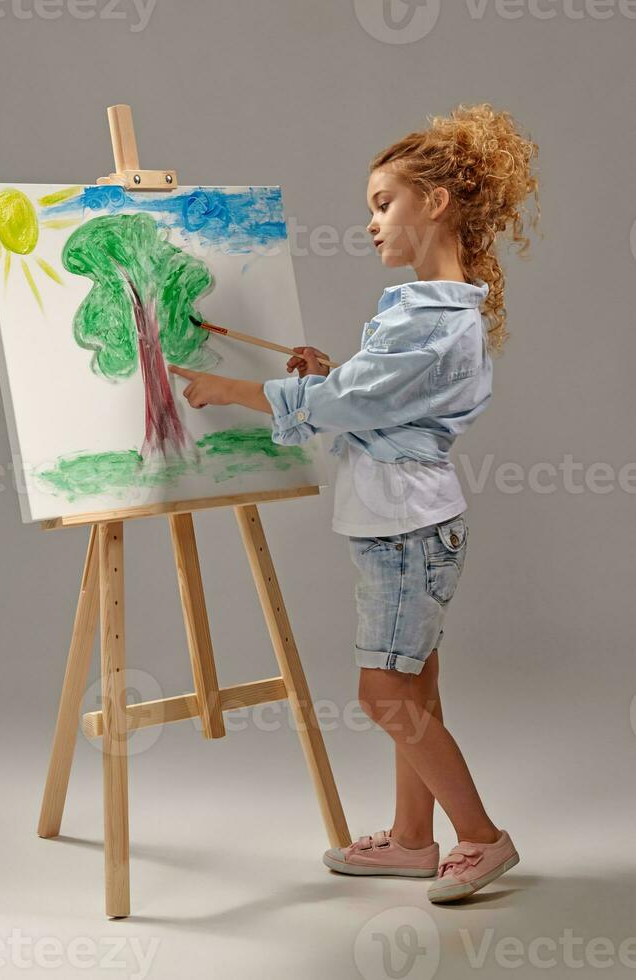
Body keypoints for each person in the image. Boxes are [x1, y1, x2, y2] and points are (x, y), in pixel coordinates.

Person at [169, 101, 541, 904]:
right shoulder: (429, 312)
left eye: (383, 203)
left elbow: (351, 404)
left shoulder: (434, 320)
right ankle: (413, 841)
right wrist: (330, 377)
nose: (372, 223)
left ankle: (480, 836)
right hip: (405, 521)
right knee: (416, 689)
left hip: (406, 526)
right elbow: (373, 397)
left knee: (384, 696)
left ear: (434, 203)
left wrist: (243, 388)